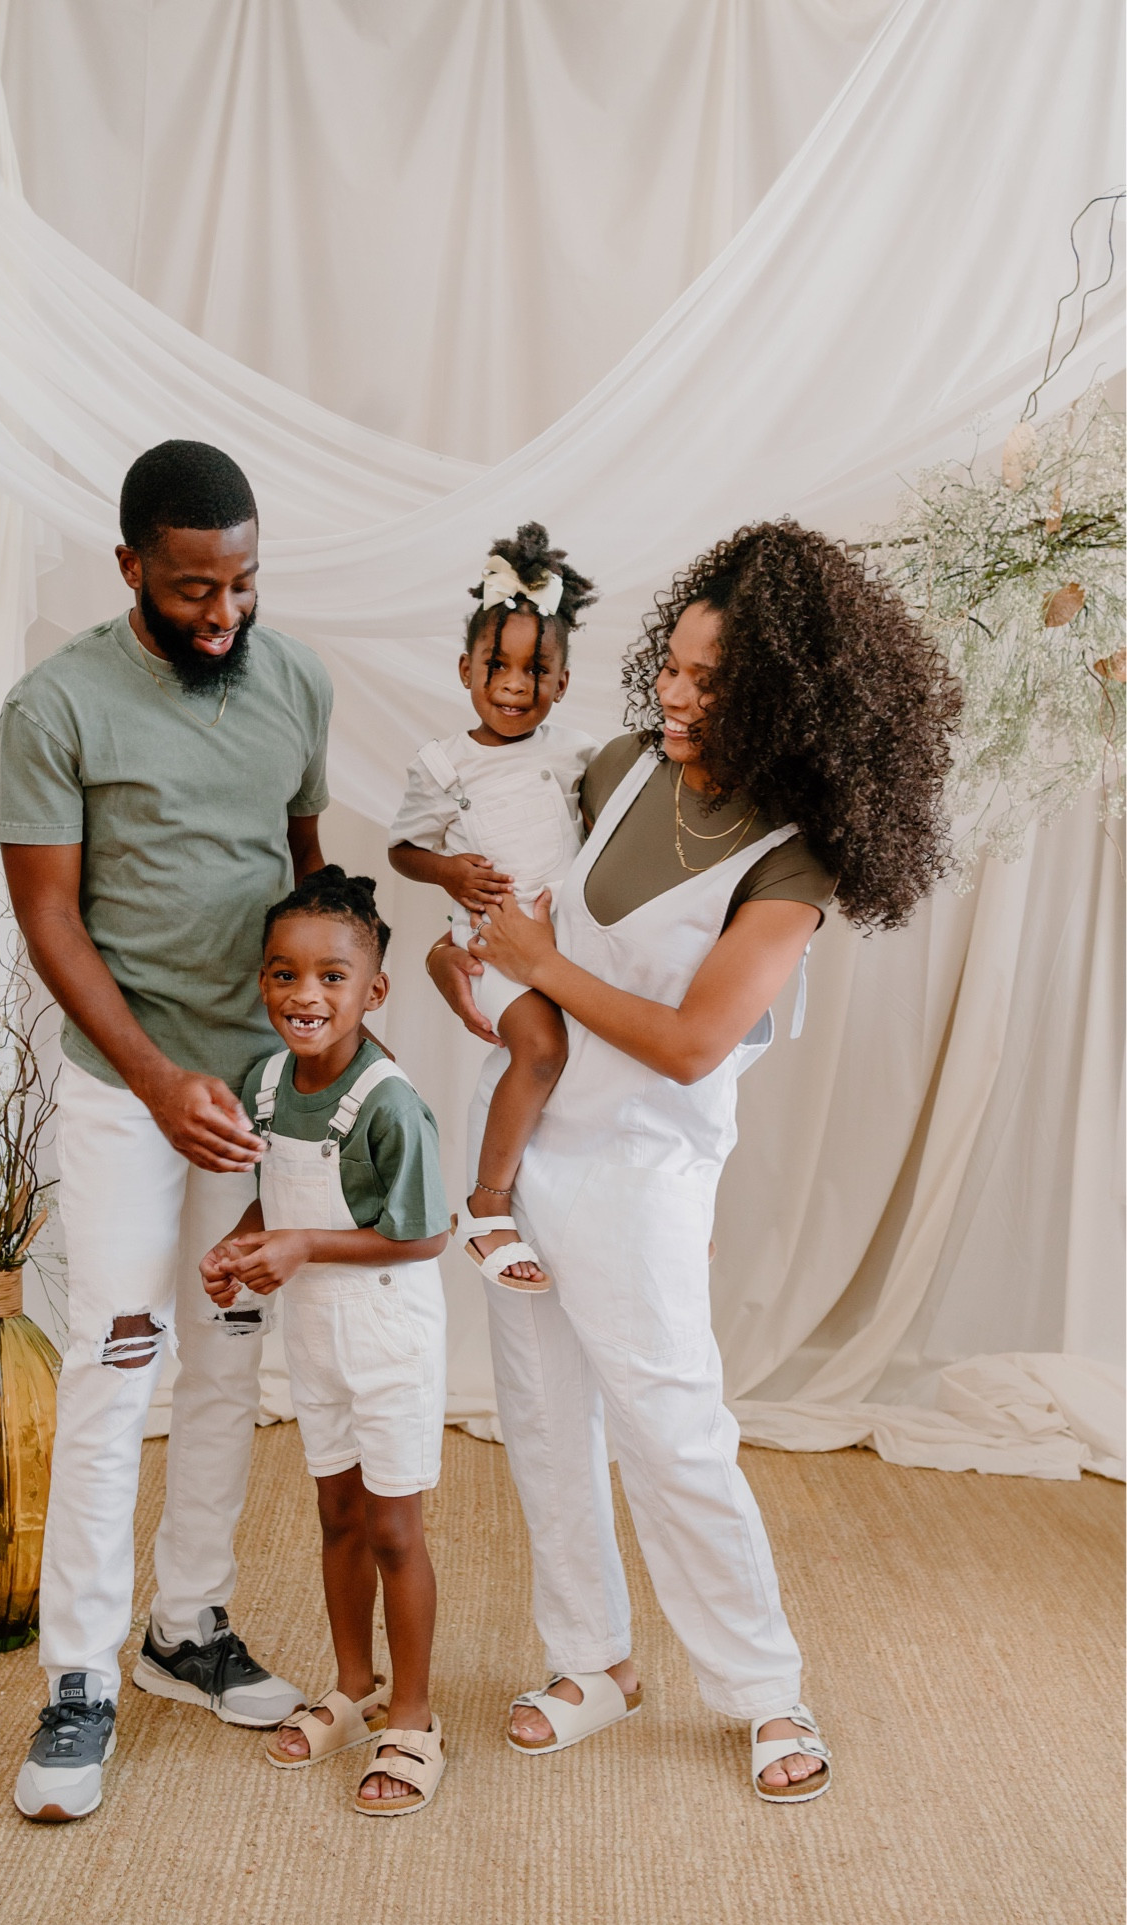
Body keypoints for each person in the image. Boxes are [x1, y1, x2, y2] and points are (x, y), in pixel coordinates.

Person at [429, 519, 959, 1802]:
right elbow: (495, 917)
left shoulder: (792, 861)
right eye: (669, 663)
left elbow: (687, 1042)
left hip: (647, 1177)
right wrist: (468, 972)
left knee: (674, 1434)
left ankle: (766, 1689)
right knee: (547, 1424)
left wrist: (536, 967)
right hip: (530, 1147)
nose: (670, 691)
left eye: (709, 679)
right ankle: (592, 1661)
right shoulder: (612, 769)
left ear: (783, 695)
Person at [0, 440, 331, 1823]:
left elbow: (311, 880)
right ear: (128, 566)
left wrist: (313, 1069)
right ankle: (77, 1679)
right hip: (128, 1095)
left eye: (242, 584)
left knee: (226, 1359)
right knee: (116, 1360)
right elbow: (47, 919)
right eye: (192, 588)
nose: (222, 616)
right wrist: (153, 1080)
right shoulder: (55, 703)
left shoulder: (294, 681)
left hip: (254, 1094)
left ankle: (185, 1624)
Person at [201, 869, 451, 1816]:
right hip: (313, 1330)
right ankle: (355, 1684)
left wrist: (302, 1246)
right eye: (284, 974)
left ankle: (414, 1715)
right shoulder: (263, 1083)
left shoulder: (388, 1102)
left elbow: (426, 1232)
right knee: (336, 1516)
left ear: (372, 991)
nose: (305, 996)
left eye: (332, 978)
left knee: (393, 1526)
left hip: (387, 1329)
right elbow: (283, 1197)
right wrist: (248, 1240)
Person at [388, 523, 598, 1290]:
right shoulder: (445, 764)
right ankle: (485, 1204)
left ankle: (635, 1207)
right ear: (466, 669)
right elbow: (402, 849)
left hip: (568, 940)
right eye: (497, 666)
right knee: (541, 1050)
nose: (514, 684)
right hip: (495, 943)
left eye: (535, 669)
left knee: (610, 1054)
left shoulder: (574, 753)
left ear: (563, 681)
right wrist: (447, 872)